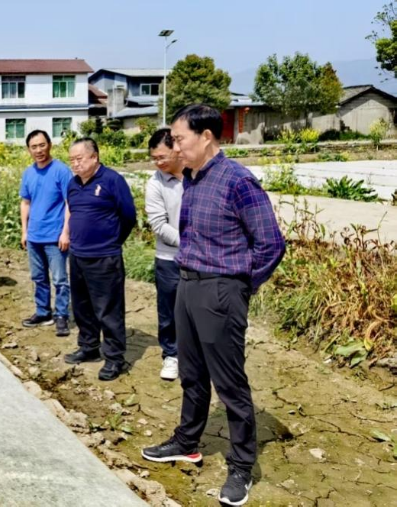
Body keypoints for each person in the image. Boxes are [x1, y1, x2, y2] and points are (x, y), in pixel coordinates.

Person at [142, 105, 286, 508]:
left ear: (206, 137)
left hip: (220, 290)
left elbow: (271, 244)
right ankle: (187, 441)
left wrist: (239, 287)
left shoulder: (238, 181)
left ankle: (241, 466)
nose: (175, 147)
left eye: (180, 139)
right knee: (191, 373)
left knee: (229, 383)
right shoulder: (192, 177)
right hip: (187, 285)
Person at [63, 137, 136, 382]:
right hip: (78, 255)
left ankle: (115, 358)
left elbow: (128, 216)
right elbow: (72, 212)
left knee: (108, 310)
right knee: (82, 307)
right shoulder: (73, 184)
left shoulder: (112, 180)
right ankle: (89, 346)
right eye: (71, 160)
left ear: (94, 157)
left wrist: (112, 241)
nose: (75, 164)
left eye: (79, 159)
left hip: (105, 257)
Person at [19, 130, 73, 337]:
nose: (38, 150)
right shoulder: (28, 173)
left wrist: (65, 232)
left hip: (55, 236)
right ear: (29, 149)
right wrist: (24, 231)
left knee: (59, 279)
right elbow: (25, 202)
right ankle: (43, 312)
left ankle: (61, 315)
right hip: (34, 236)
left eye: (42, 145)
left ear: (49, 145)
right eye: (34, 147)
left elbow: (69, 203)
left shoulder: (61, 171)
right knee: (38, 277)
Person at [145, 128, 184, 381]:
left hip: (204, 259)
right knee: (168, 311)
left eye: (162, 157)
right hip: (170, 259)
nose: (158, 163)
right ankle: (171, 355)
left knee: (199, 311)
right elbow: (159, 225)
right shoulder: (156, 183)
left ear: (176, 149)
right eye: (154, 158)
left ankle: (196, 356)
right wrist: (190, 245)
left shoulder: (197, 174)